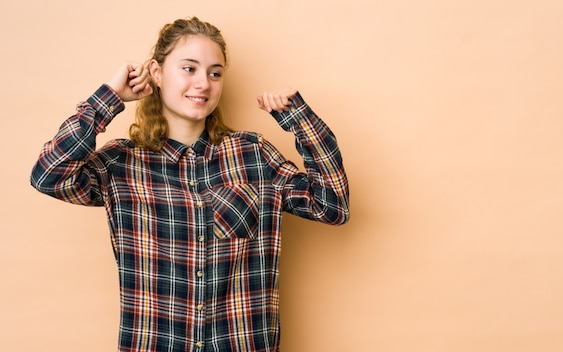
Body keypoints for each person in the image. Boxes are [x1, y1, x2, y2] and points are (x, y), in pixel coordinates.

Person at [30, 17, 349, 352]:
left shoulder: (253, 155)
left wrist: (300, 120)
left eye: (215, 72)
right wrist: (108, 99)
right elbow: (48, 175)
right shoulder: (120, 164)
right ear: (156, 72)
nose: (203, 83)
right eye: (189, 68)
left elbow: (333, 207)